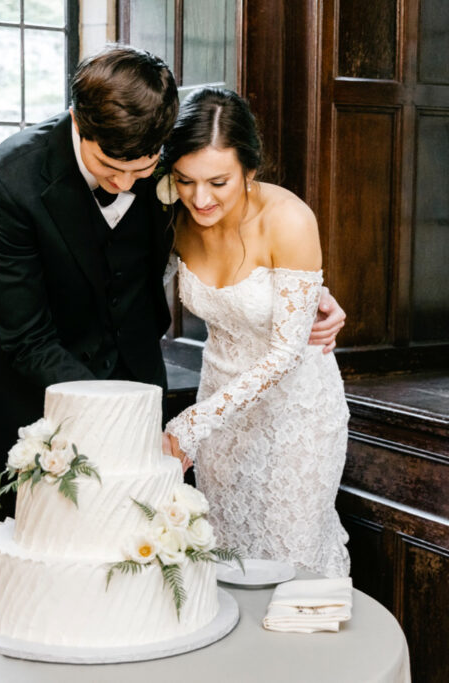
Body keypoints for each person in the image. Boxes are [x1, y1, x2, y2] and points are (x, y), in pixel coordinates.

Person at [0, 46, 345, 476]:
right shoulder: (10, 180)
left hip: (145, 390)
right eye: (110, 168)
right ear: (78, 121)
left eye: (143, 169)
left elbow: (231, 232)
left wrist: (308, 294)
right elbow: (26, 337)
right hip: (40, 402)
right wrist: (116, 414)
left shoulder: (176, 163)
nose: (125, 183)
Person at [162, 87, 351, 578]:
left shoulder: (287, 219)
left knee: (291, 558)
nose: (201, 198)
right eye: (185, 181)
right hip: (221, 407)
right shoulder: (174, 219)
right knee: (226, 556)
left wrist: (192, 425)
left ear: (250, 168)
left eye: (218, 181)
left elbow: (286, 353)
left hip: (296, 412)